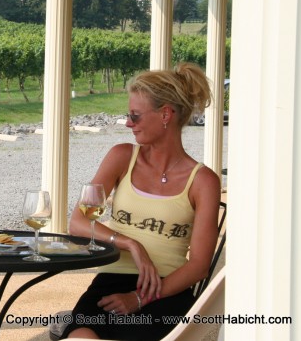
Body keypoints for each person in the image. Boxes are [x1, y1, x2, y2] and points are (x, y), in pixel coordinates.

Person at [61, 63, 221, 340]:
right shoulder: (121, 157)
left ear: (165, 115)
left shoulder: (203, 181)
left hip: (165, 290)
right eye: (128, 115)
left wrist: (137, 299)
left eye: (135, 115)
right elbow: (79, 222)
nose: (128, 123)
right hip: (109, 285)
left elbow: (198, 265)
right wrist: (130, 244)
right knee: (80, 337)